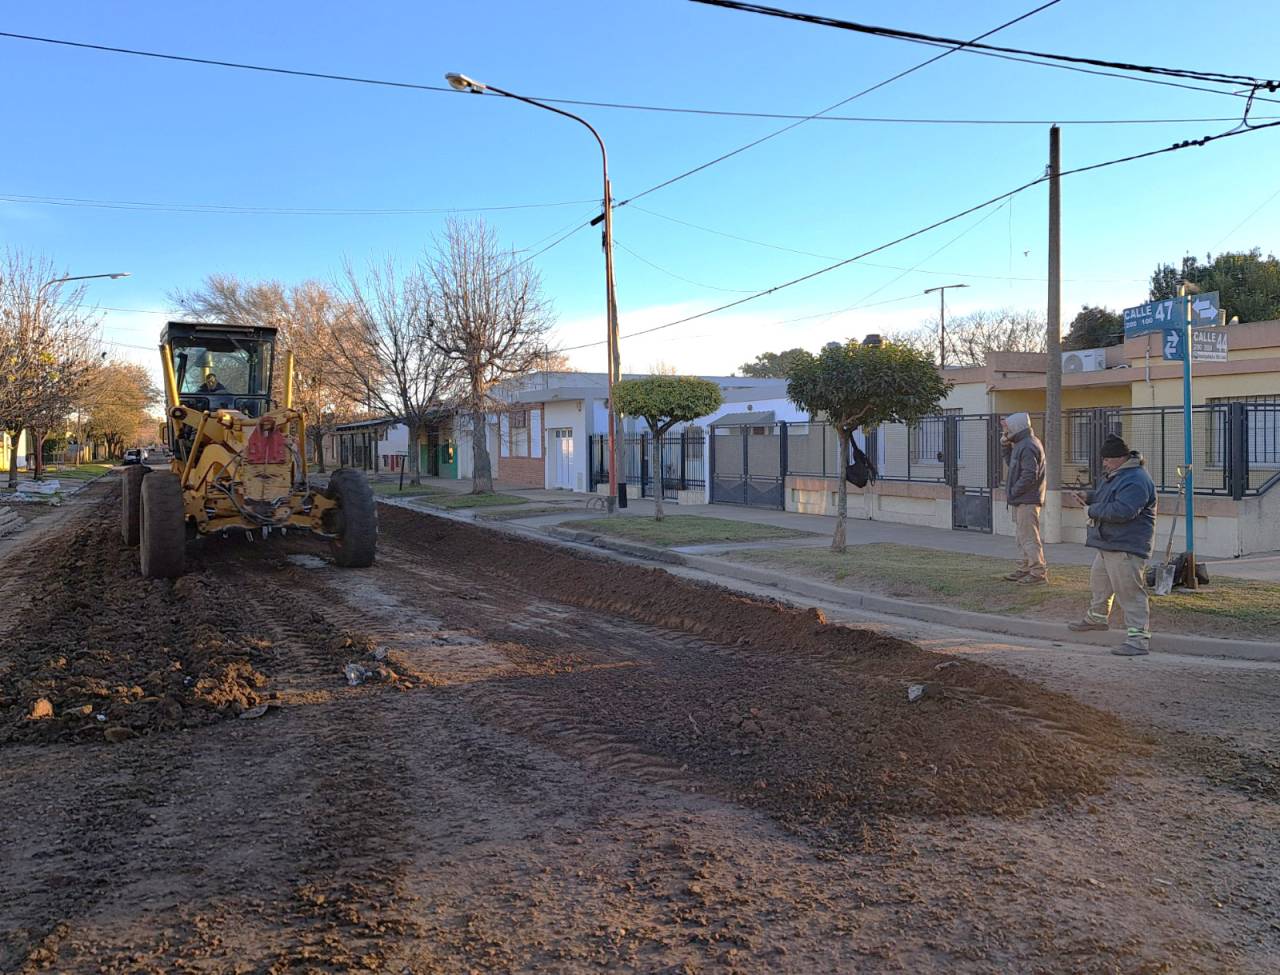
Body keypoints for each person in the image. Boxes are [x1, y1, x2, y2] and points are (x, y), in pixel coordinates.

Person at [1068, 433, 1158, 656]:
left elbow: (1123, 511)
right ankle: (1097, 618)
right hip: (1110, 543)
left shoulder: (1136, 479)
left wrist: (1090, 510)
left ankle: (1138, 640)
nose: (1104, 463)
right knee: (1100, 583)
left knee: (1129, 592)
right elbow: (1105, 497)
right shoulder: (1119, 475)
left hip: (1126, 546)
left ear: (1119, 458)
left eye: (1107, 459)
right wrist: (1088, 497)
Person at [1000, 412, 1047, 584]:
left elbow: (1029, 475)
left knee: (1028, 537)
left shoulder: (1027, 445)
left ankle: (1037, 572)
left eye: (1007, 428)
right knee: (1021, 536)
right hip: (1023, 498)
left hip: (1027, 499)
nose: (1005, 431)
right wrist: (1006, 446)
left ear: (1016, 427)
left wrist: (1013, 491)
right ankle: (1025, 567)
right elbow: (1012, 464)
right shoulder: (1022, 444)